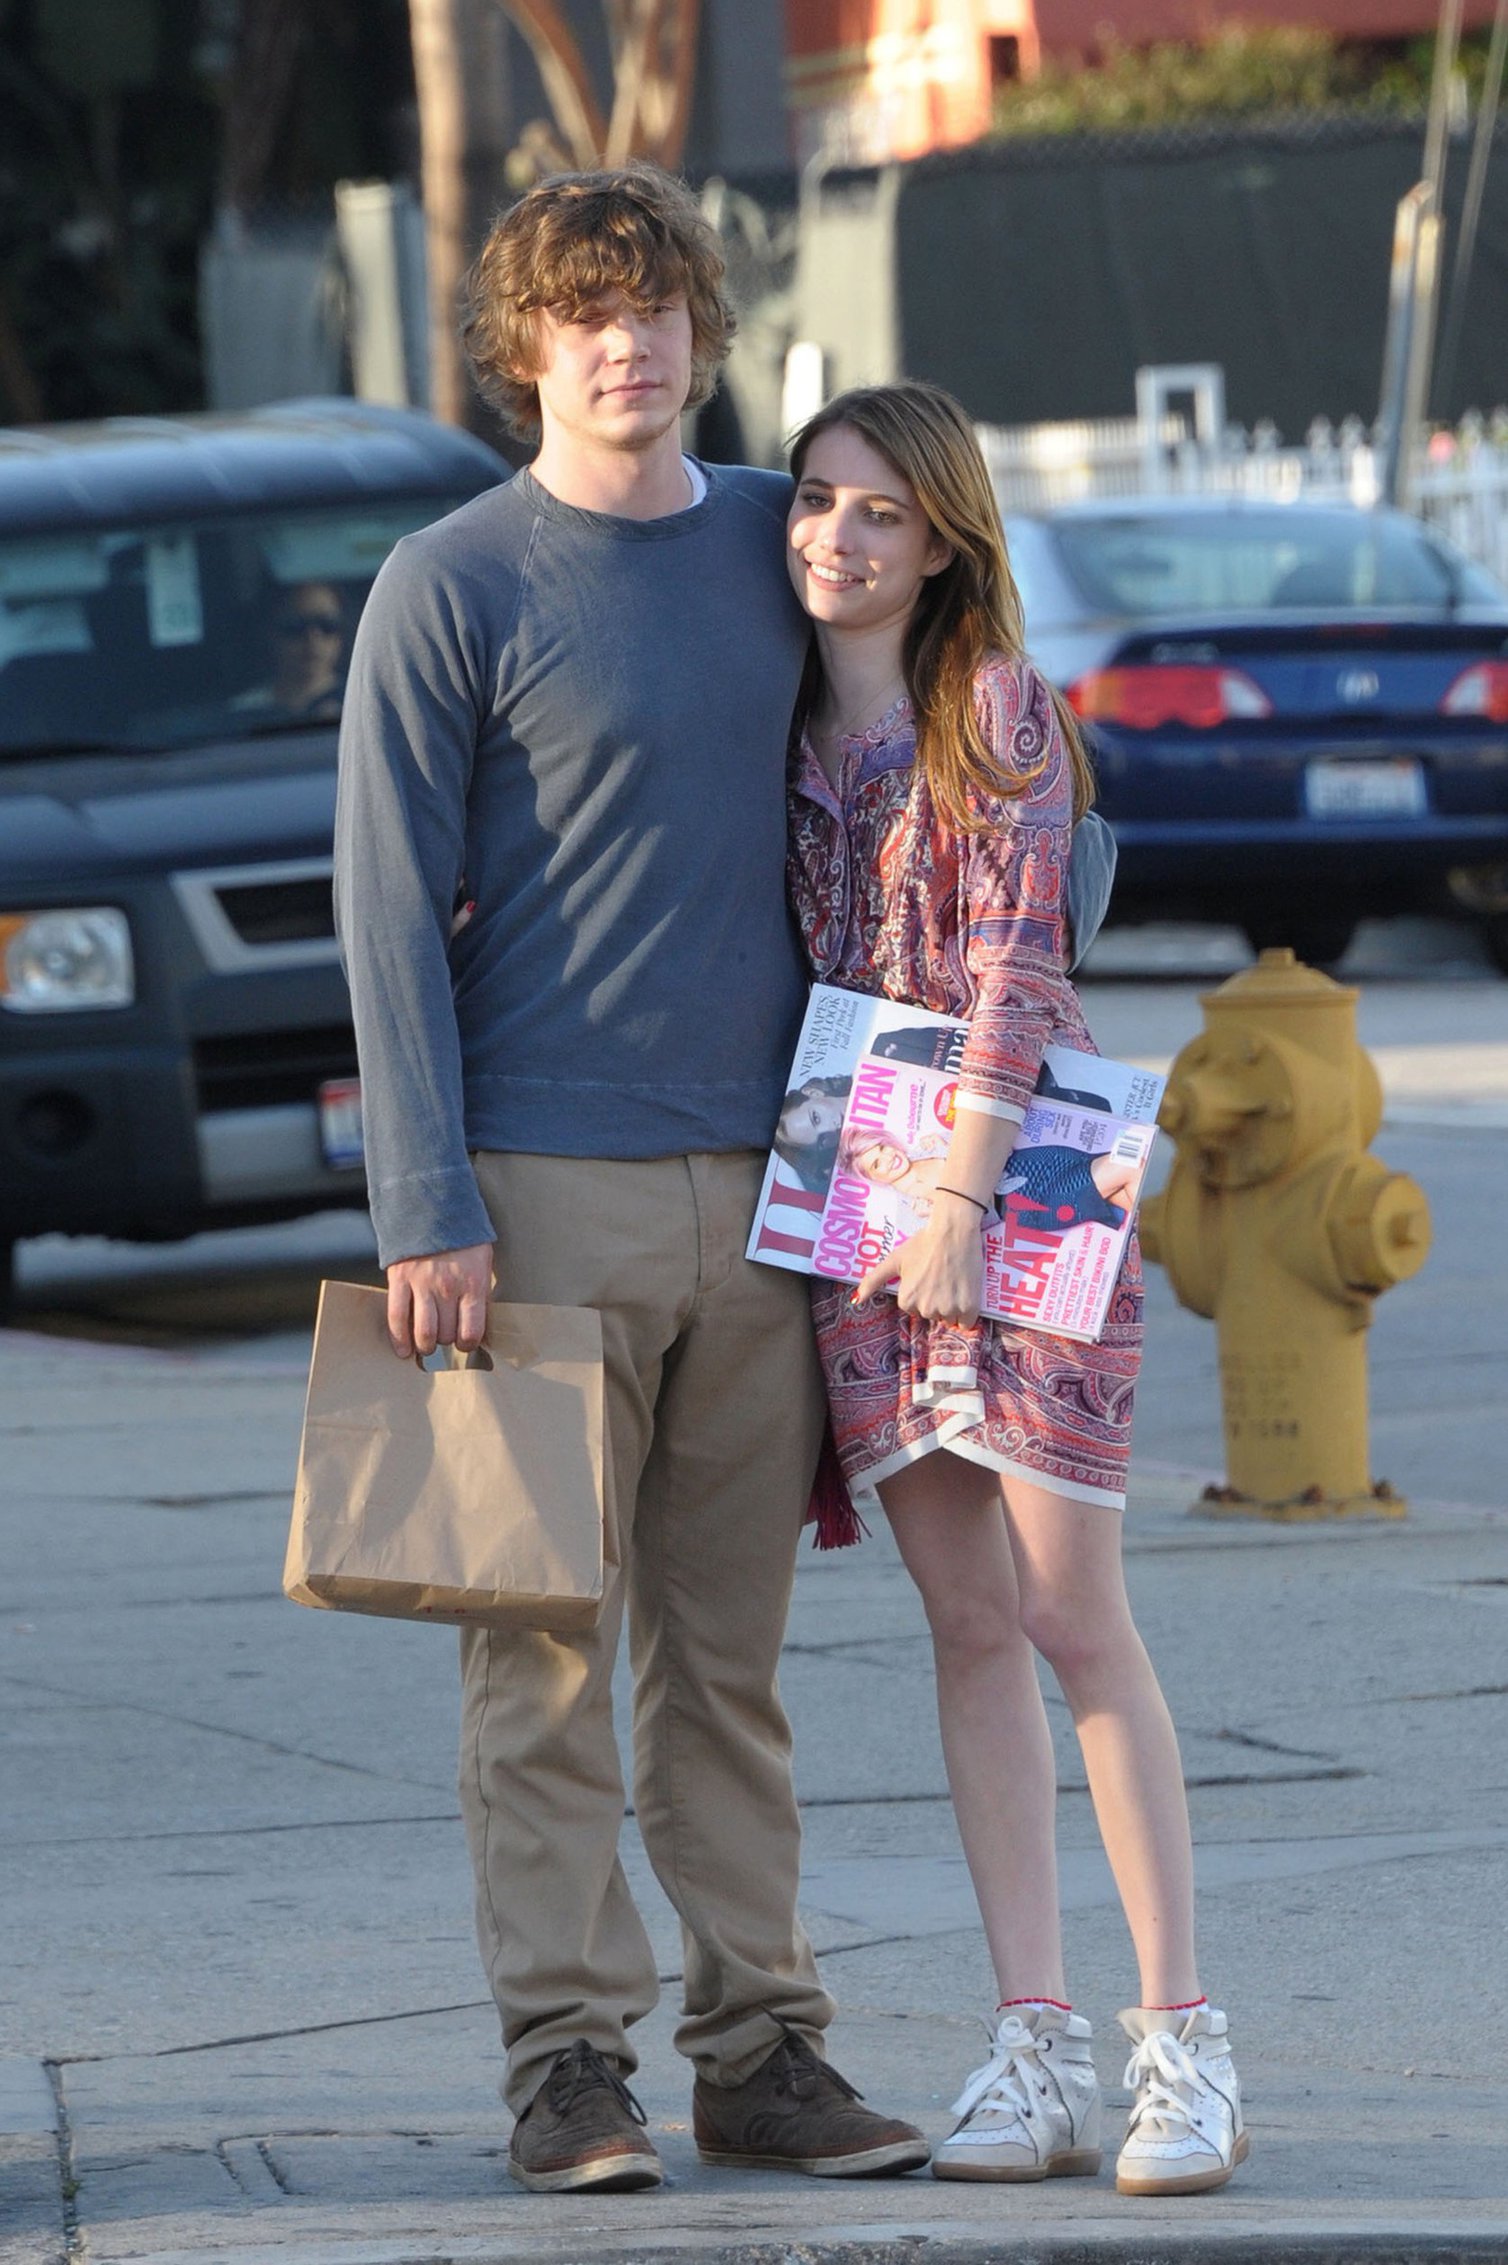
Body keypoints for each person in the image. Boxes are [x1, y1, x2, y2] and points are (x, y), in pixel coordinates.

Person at [333, 164, 933, 2197]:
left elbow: (955, 738)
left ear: (702, 322)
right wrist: (426, 1195)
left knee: (729, 1662)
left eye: (662, 300)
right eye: (590, 310)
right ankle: (566, 2066)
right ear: (526, 346)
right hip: (529, 1186)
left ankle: (763, 2050)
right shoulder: (452, 581)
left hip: (778, 1193)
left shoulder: (790, 539)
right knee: (543, 1654)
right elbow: (387, 906)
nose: (633, 337)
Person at [783, 380, 1247, 2199]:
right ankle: (1030, 2039)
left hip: (1020, 1187)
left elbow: (1018, 967)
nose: (840, 536)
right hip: (847, 1202)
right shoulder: (782, 730)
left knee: (1073, 1618)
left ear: (947, 534)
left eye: (883, 511)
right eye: (818, 501)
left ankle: (1181, 2045)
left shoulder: (998, 713)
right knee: (965, 1624)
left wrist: (965, 1187)